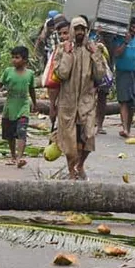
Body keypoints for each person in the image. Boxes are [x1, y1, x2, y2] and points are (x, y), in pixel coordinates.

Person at [54, 17, 107, 180]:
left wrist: (95, 55)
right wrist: (68, 54)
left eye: (82, 29)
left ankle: (80, 164)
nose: (79, 32)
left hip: (87, 102)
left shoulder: (93, 49)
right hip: (67, 103)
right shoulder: (62, 49)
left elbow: (100, 75)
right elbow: (61, 73)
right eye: (76, 29)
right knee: (69, 140)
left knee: (89, 136)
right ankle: (71, 170)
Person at [47, 17, 70, 130]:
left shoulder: (81, 50)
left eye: (65, 33)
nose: (62, 36)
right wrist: (52, 105)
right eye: (60, 34)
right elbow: (53, 78)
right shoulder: (58, 50)